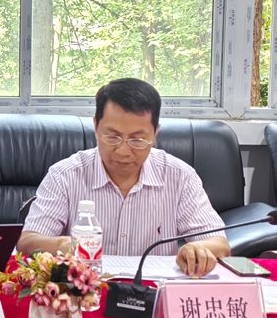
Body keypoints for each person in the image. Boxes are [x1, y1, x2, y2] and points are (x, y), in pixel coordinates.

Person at [18, 78, 230, 278]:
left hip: (153, 291)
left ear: (155, 133)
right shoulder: (65, 175)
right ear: (95, 126)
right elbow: (27, 242)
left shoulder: (179, 176)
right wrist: (62, 245)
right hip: (84, 291)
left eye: (137, 140)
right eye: (113, 137)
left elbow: (219, 244)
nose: (123, 151)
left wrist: (198, 249)